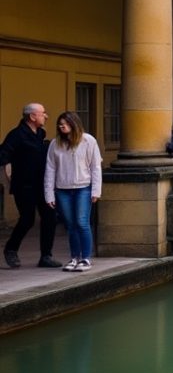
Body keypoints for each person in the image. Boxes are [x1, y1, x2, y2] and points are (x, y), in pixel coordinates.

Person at [0, 103, 60, 269]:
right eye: (43, 113)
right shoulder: (16, 135)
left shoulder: (40, 133)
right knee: (27, 220)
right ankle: (11, 249)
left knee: (50, 218)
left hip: (43, 184)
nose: (46, 116)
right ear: (32, 116)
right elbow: (3, 154)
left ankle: (46, 256)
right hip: (24, 186)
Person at [43, 112, 102, 273]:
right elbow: (50, 169)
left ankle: (86, 258)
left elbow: (95, 167)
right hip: (63, 189)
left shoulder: (88, 141)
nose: (61, 126)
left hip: (83, 187)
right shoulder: (55, 144)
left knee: (82, 222)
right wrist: (49, 194)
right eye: (59, 124)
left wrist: (96, 190)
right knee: (70, 225)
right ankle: (74, 257)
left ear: (74, 124)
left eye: (65, 123)